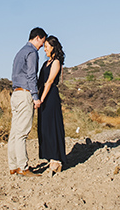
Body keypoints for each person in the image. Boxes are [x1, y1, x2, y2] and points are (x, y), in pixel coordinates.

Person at [8, 27, 47, 177]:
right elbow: (31, 76)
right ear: (38, 37)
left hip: (15, 94)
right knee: (22, 133)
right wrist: (35, 97)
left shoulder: (20, 52)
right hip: (25, 95)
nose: (42, 46)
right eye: (42, 42)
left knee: (14, 133)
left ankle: (13, 166)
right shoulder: (32, 52)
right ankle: (23, 167)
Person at [37, 35, 66, 173]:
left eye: (47, 47)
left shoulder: (56, 62)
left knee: (52, 125)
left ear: (53, 47)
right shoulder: (45, 63)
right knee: (44, 126)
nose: (45, 50)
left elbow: (49, 81)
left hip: (50, 96)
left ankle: (56, 158)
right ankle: (49, 155)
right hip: (42, 94)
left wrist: (42, 98)